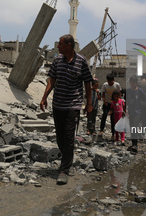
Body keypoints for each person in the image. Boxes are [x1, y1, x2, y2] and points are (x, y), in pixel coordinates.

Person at [40, 34, 93, 185]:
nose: (58, 46)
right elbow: (52, 80)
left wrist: (88, 104)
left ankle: (64, 170)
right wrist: (44, 97)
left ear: (69, 45)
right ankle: (68, 158)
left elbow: (87, 83)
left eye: (60, 44)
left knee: (69, 137)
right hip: (58, 104)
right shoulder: (57, 60)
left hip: (73, 105)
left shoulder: (81, 61)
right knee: (60, 137)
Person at [126, 75, 146, 153]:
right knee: (132, 127)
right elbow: (126, 102)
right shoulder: (128, 91)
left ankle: (135, 145)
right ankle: (133, 144)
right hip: (131, 112)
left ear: (136, 83)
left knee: (135, 125)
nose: (132, 84)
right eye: (131, 83)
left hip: (138, 112)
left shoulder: (140, 91)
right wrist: (125, 111)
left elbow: (145, 101)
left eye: (133, 83)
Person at [99, 73, 122, 140]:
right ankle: (101, 130)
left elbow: (119, 94)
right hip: (107, 103)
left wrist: (118, 102)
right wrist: (104, 101)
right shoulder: (105, 85)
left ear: (113, 80)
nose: (109, 82)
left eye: (111, 81)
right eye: (108, 81)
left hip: (114, 104)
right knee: (104, 115)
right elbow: (103, 94)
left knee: (113, 119)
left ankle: (113, 133)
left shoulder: (117, 85)